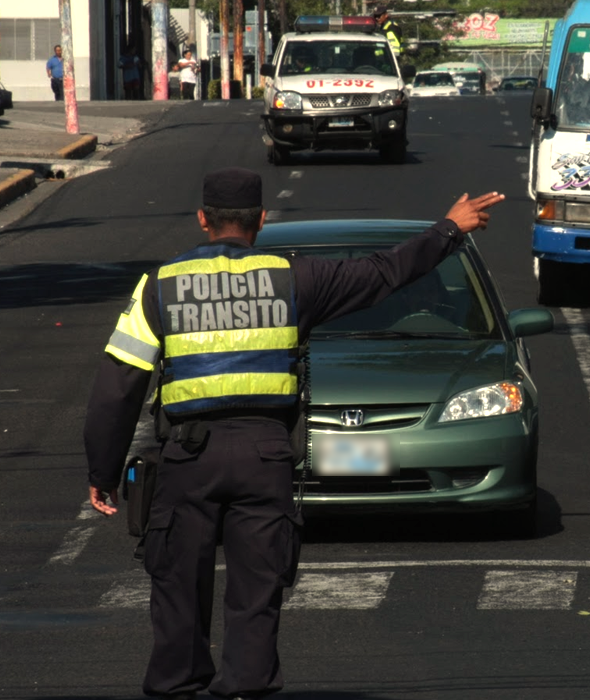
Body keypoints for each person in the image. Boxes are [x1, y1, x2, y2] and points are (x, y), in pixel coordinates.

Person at [84, 167, 504, 700]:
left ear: (202, 220)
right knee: (258, 588)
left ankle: (177, 684)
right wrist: (449, 228)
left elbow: (118, 384)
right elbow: (383, 273)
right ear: (261, 220)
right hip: (265, 456)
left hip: (187, 458)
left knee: (177, 583)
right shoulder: (295, 279)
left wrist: (103, 470)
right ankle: (246, 687)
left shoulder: (159, 285)